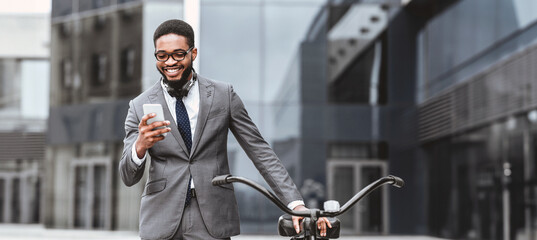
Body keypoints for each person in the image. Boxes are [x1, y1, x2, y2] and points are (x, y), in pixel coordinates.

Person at [119, 19, 330, 240]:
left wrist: (295, 204)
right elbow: (127, 176)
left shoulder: (223, 95)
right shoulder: (139, 105)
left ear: (194, 53)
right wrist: (140, 146)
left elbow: (259, 151)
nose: (170, 62)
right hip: (161, 220)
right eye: (162, 55)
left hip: (212, 219)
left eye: (178, 54)